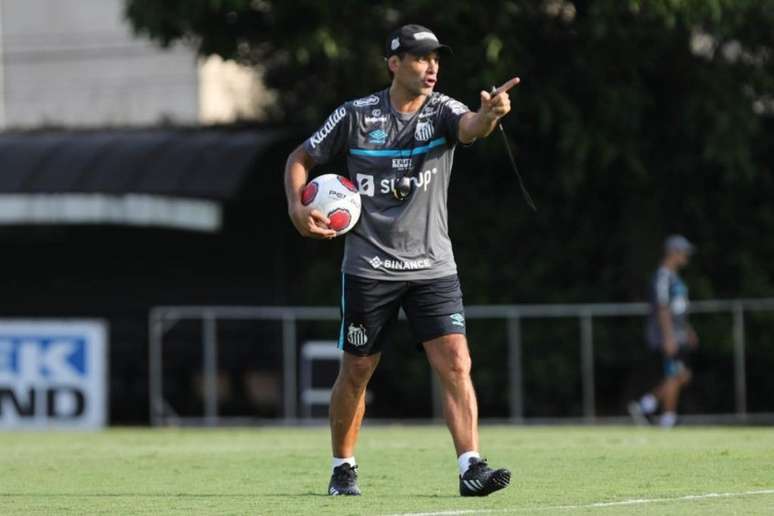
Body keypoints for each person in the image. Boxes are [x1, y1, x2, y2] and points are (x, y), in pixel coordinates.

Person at [284, 24, 517, 497]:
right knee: (356, 372)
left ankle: (471, 466)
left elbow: (470, 128)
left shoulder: (445, 110)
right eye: (419, 58)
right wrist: (296, 206)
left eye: (436, 58)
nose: (431, 66)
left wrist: (489, 115)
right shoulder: (355, 115)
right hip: (369, 268)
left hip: (433, 266)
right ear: (394, 64)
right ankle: (343, 466)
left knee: (456, 362)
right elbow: (300, 158)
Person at [629, 235, 699, 428]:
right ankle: (668, 419)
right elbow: (662, 308)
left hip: (677, 333)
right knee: (675, 375)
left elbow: (678, 309)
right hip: (666, 334)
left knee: (682, 376)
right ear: (673, 252)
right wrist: (668, 337)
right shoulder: (662, 276)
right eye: (684, 252)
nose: (686, 256)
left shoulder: (674, 277)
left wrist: (687, 329)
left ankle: (645, 405)